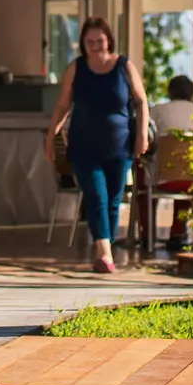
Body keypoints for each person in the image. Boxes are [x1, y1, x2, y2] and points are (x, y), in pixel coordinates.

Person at [43, 18, 151, 274]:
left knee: (114, 198)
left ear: (109, 40)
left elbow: (141, 101)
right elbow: (62, 106)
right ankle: (104, 251)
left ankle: (105, 248)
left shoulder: (124, 66)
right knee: (96, 196)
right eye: (89, 41)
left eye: (99, 40)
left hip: (119, 145)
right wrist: (51, 136)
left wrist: (142, 136)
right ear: (82, 43)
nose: (94, 45)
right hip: (83, 145)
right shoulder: (76, 68)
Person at [148, 75, 193, 254]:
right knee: (185, 176)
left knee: (143, 182)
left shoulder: (158, 111)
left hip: (162, 178)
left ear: (169, 91)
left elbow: (146, 138)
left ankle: (146, 233)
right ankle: (177, 232)